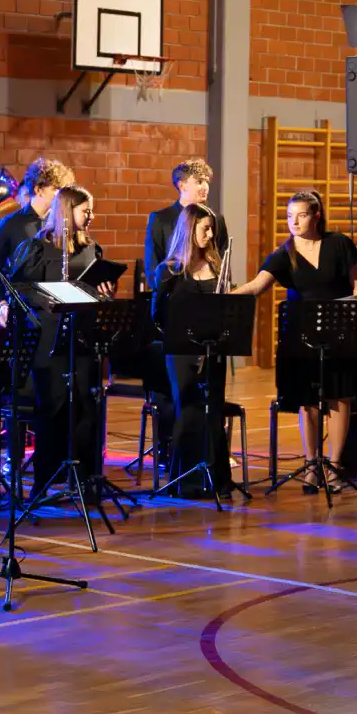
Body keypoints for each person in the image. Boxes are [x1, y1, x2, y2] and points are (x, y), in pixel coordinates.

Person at [233, 191, 357, 492]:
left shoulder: (339, 244)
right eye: (289, 215)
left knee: (338, 396)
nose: (293, 221)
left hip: (339, 332)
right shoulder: (285, 253)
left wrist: (356, 320)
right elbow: (257, 286)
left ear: (316, 215)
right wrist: (225, 296)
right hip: (300, 337)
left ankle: (333, 467)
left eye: (301, 214)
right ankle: (311, 465)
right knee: (308, 401)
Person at [9, 185, 114, 501]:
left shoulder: (91, 249)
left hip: (82, 338)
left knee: (85, 408)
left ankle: (84, 480)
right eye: (86, 210)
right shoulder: (38, 248)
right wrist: (50, 298)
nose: (91, 216)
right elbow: (20, 289)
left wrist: (104, 293)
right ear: (68, 212)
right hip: (49, 339)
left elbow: (94, 291)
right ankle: (45, 480)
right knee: (52, 409)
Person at [150, 203, 232, 499]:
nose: (211, 235)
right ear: (189, 230)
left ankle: (217, 479)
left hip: (212, 349)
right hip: (182, 350)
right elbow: (156, 315)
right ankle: (186, 481)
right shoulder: (169, 270)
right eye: (205, 229)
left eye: (212, 229)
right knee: (188, 409)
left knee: (213, 412)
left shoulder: (217, 265)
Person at [0, 158, 74, 329]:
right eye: (56, 189)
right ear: (38, 189)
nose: (61, 195)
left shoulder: (60, 223)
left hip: (56, 314)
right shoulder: (9, 224)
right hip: (24, 314)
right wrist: (1, 304)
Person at [144, 158, 229, 291]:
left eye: (207, 182)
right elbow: (152, 267)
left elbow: (223, 264)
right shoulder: (161, 219)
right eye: (199, 182)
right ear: (181, 185)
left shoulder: (216, 219)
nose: (205, 187)